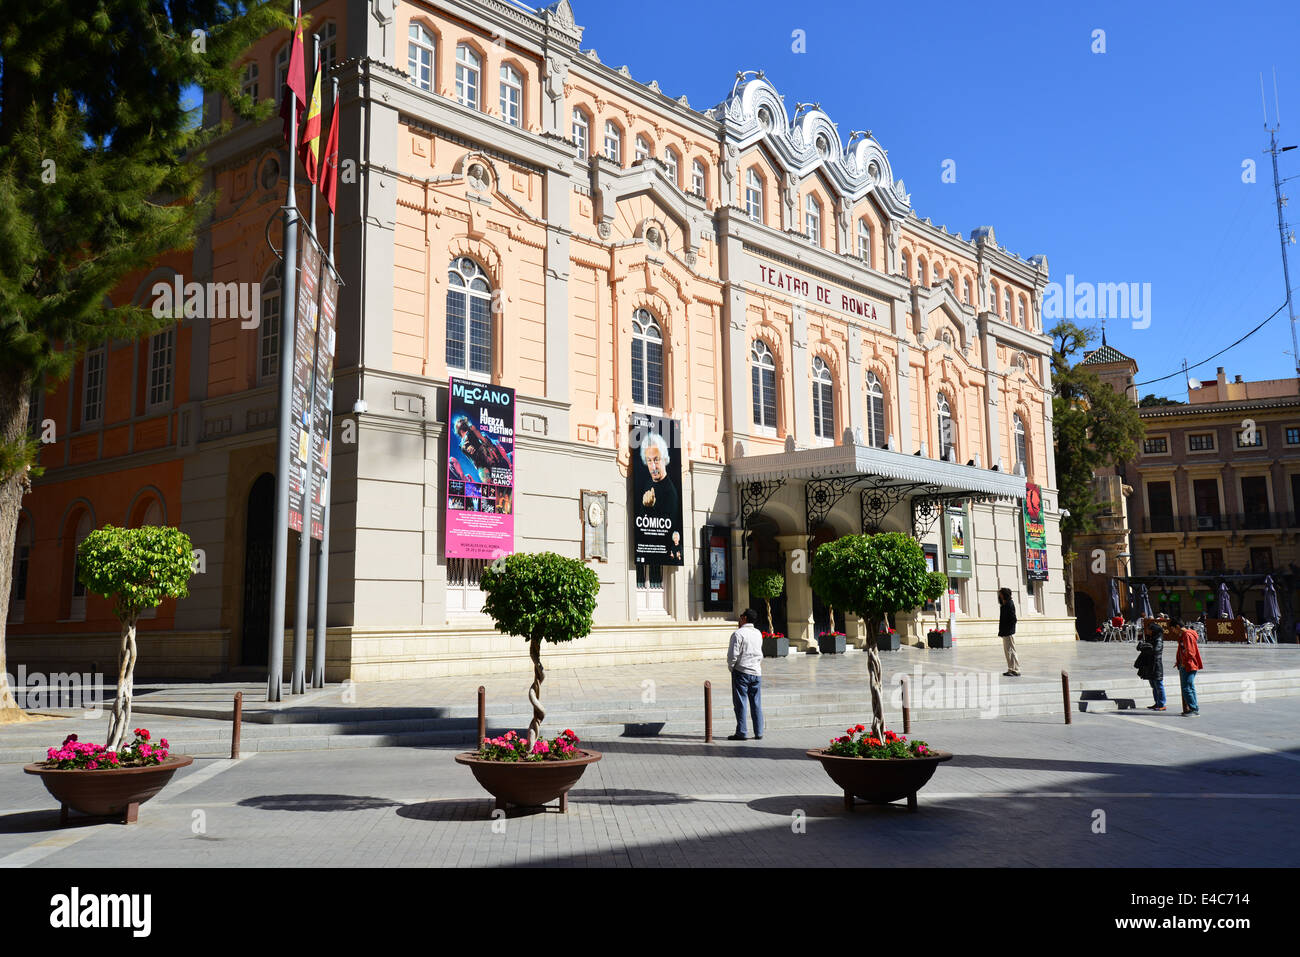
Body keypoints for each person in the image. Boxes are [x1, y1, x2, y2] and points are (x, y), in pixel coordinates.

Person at [727, 608, 764, 741]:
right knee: (756, 703)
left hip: (741, 671)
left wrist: (732, 668)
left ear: (745, 619)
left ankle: (742, 732)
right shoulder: (758, 633)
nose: (739, 618)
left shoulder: (738, 634)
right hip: (756, 671)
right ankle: (759, 731)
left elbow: (732, 655)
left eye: (741, 616)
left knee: (741, 703)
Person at [1134, 619, 1166, 711]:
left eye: (1149, 629)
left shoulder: (1158, 639)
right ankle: (1157, 703)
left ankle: (1162, 704)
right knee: (1153, 685)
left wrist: (1145, 647)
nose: (1147, 631)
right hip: (1150, 664)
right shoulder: (1151, 637)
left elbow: (1155, 650)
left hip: (1156, 665)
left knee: (1158, 685)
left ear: (1153, 630)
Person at [1175, 617, 1203, 716]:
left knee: (1186, 687)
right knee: (1190, 686)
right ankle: (1194, 707)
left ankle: (1193, 709)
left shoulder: (1187, 635)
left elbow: (1190, 652)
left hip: (1189, 664)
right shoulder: (1185, 634)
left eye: (1173, 629)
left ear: (1177, 626)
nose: (1173, 631)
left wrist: (1184, 662)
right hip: (1189, 664)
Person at [997, 587, 1020, 677]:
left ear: (1004, 594)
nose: (999, 595)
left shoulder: (1010, 604)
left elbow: (1013, 619)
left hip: (1009, 632)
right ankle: (1011, 668)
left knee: (1012, 650)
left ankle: (1016, 669)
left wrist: (1009, 629)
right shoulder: (1004, 604)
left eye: (1000, 593)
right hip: (1005, 632)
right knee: (1007, 651)